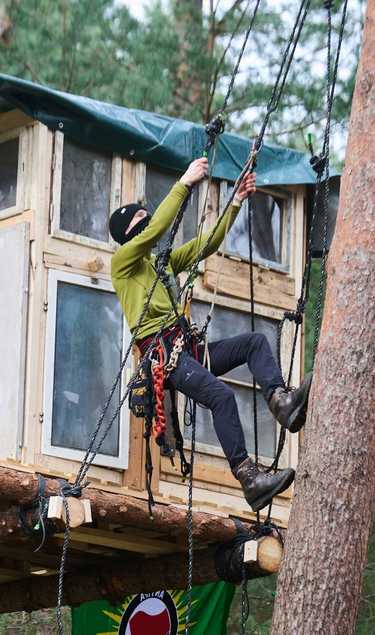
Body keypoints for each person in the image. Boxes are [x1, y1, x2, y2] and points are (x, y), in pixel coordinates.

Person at [108, 157, 311, 512]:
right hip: (164, 355)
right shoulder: (123, 263)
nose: (146, 222)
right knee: (222, 396)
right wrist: (184, 183)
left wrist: (234, 204)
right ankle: (249, 477)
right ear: (126, 233)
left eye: (145, 216)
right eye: (138, 219)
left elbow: (208, 243)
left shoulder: (163, 264)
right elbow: (156, 229)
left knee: (254, 343)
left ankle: (281, 402)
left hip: (185, 349)